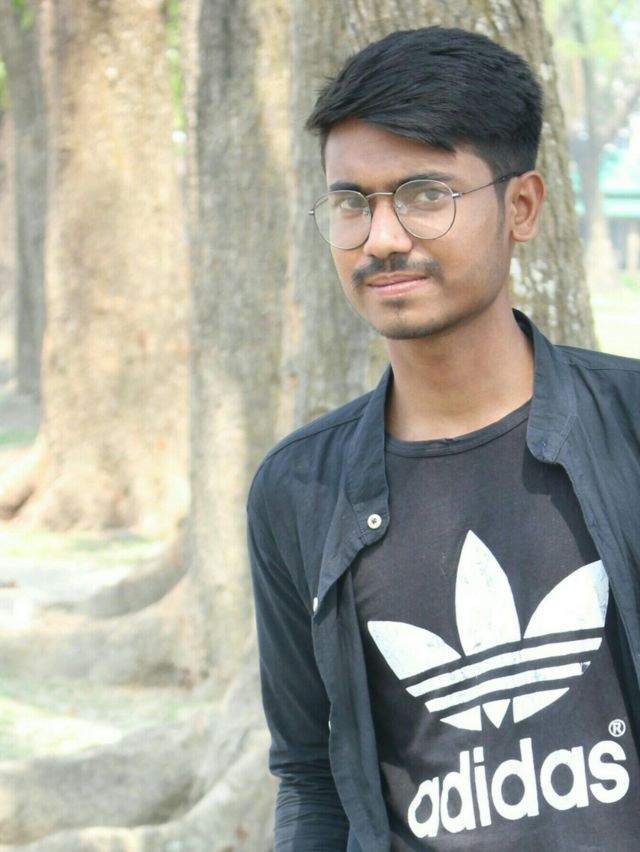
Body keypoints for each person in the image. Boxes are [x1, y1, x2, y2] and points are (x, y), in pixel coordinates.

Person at [247, 25, 640, 852]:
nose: (382, 237)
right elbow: (310, 774)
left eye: (425, 194)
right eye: (352, 203)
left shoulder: (629, 427)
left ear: (521, 207)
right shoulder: (300, 490)